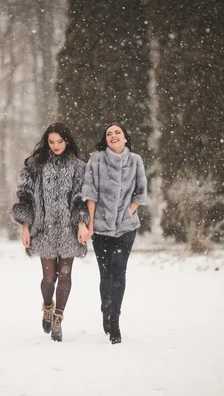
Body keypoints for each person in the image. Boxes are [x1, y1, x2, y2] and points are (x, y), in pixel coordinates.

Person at [10, 122, 90, 342]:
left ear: (67, 141)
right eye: (51, 141)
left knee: (65, 274)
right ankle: (47, 305)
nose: (55, 146)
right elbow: (24, 198)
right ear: (46, 142)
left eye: (60, 141)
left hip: (69, 230)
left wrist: (82, 222)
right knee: (48, 279)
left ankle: (58, 318)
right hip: (43, 229)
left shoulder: (78, 167)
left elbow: (80, 198)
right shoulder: (34, 166)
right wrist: (25, 227)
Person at [80, 123, 148, 344]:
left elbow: (140, 193)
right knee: (105, 273)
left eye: (117, 132)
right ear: (105, 139)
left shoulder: (135, 160)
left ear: (125, 138)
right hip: (100, 228)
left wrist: (127, 214)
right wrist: (90, 223)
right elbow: (90, 193)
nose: (113, 136)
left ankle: (115, 321)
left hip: (126, 228)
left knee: (119, 272)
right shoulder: (96, 160)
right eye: (109, 134)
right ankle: (105, 309)